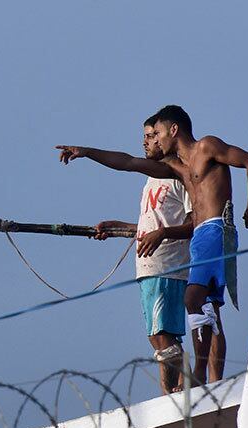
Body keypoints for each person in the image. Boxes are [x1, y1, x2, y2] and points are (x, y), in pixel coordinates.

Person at [57, 105, 248, 385]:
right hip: (203, 236)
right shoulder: (177, 168)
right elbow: (128, 162)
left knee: (193, 299)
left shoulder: (207, 146)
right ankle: (211, 383)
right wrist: (86, 151)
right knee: (209, 309)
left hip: (215, 229)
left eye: (158, 133)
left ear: (174, 130)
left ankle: (202, 380)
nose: (155, 138)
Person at [91, 115, 193, 394]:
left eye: (152, 135)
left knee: (162, 336)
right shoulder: (152, 180)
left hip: (167, 265)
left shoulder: (179, 175)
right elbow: (152, 223)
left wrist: (161, 235)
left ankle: (186, 386)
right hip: (148, 266)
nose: (146, 141)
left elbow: (193, 223)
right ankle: (170, 393)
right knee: (157, 335)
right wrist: (121, 228)